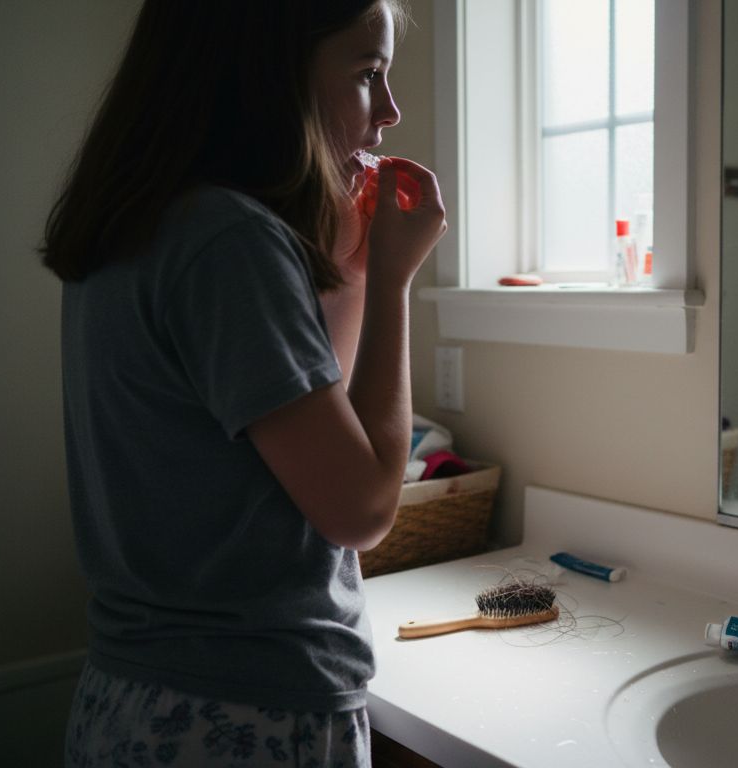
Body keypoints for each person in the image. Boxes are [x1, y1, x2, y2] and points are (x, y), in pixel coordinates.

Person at [41, 1, 444, 764]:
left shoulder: (149, 219)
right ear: (265, 76)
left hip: (136, 694)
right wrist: (394, 281)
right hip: (247, 710)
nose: (389, 110)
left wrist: (355, 270)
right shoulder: (229, 240)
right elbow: (360, 507)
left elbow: (319, 439)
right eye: (367, 73)